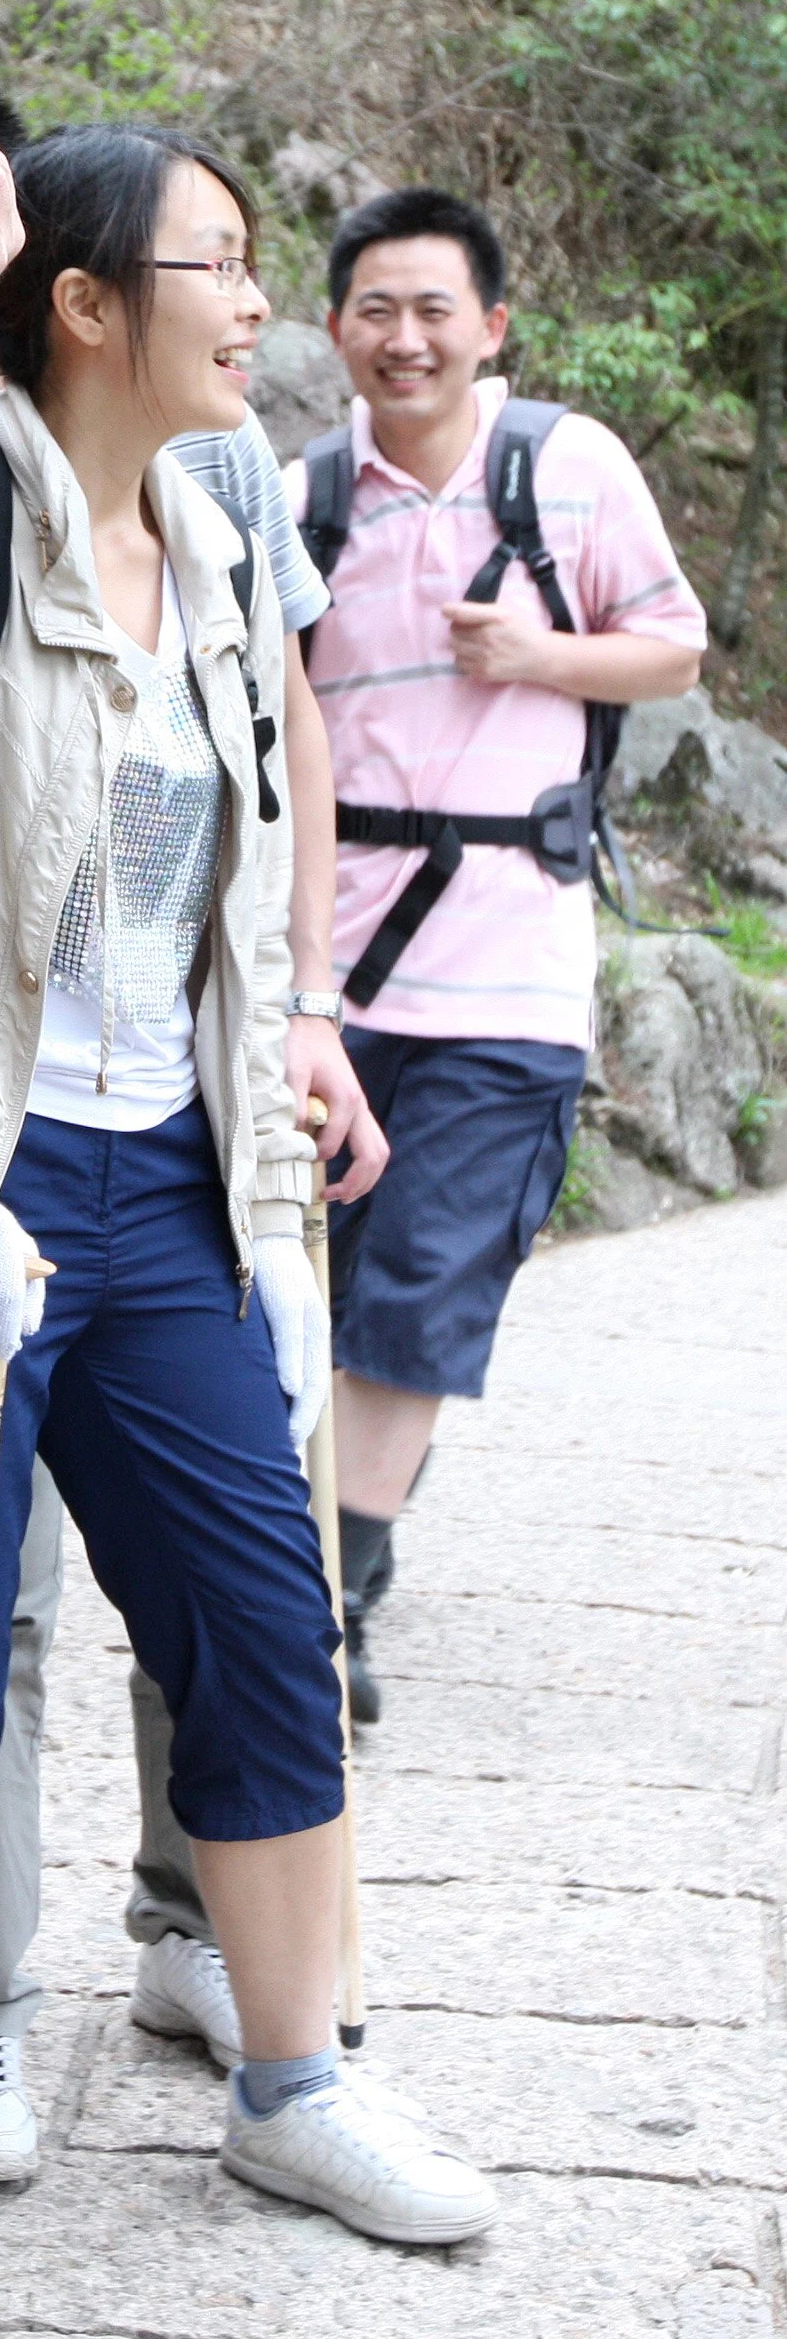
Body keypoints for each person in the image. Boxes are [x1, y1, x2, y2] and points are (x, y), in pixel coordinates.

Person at [0, 122, 497, 2332]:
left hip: (164, 1179)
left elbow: (247, 841)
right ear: (83, 304)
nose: (261, 305)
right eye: (223, 265)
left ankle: (293, 2075)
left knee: (270, 1631)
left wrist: (277, 1103)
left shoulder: (219, 516)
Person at [294, 187, 705, 1718]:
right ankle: (332, 1567)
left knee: (422, 1286)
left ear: (494, 327)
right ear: (332, 329)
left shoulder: (566, 467)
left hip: (510, 968)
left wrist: (541, 656)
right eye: (376, 311)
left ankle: (318, 1607)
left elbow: (673, 645)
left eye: (435, 311)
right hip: (327, 980)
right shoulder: (299, 495)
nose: (406, 338)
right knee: (313, 1296)